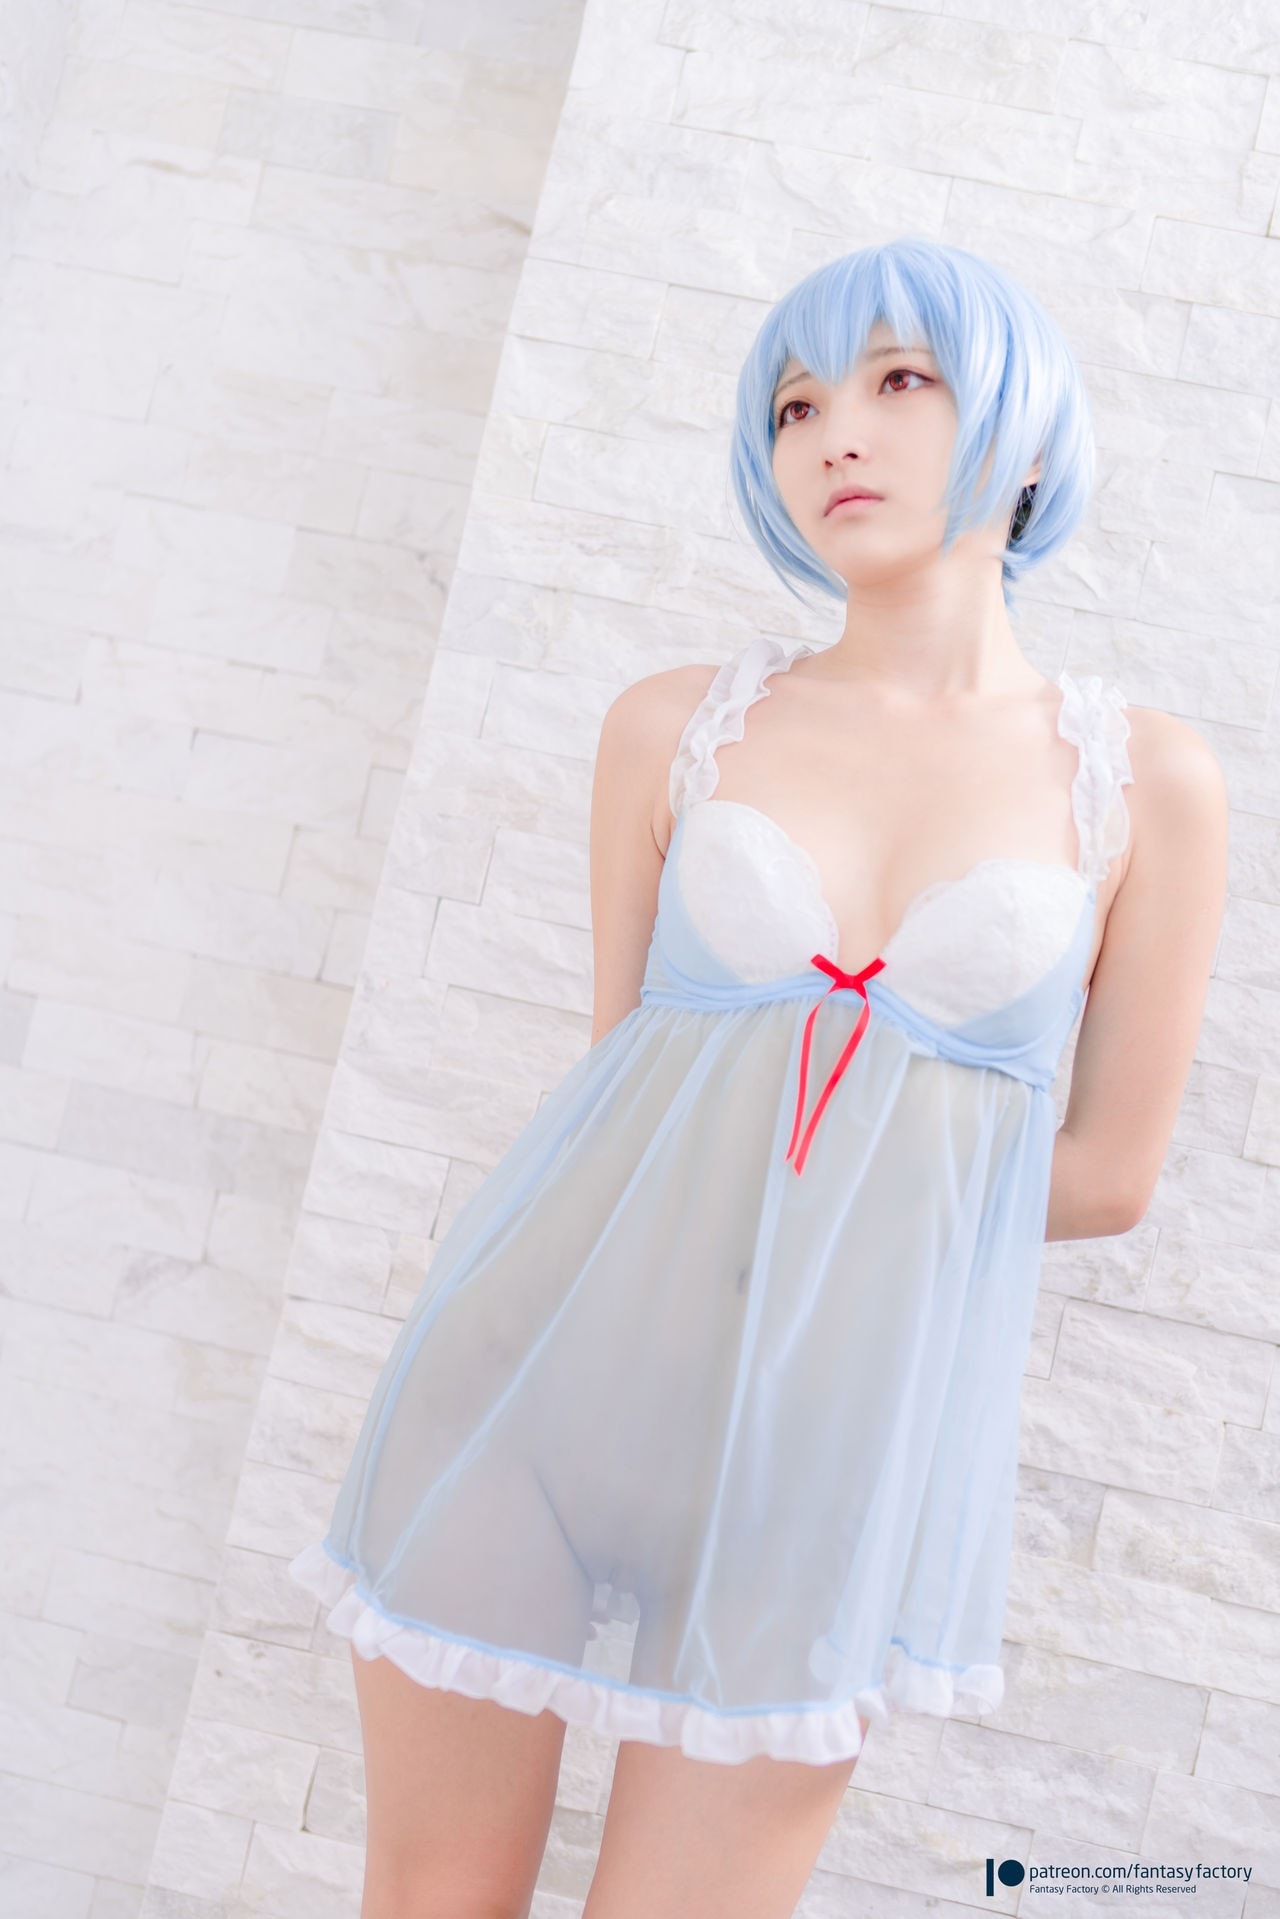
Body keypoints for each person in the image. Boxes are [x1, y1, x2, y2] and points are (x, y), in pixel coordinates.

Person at [289, 237, 1229, 1919]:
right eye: (794, 406)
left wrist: (846, 1196)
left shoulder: (1143, 780)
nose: (835, 434)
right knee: (433, 1896)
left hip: (824, 1463)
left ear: (1024, 435)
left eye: (900, 379)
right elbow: (621, 1093)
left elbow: (1107, 1176)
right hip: (532, 1398)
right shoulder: (675, 724)